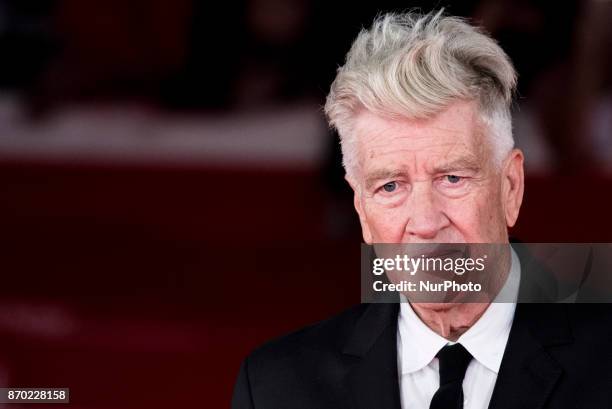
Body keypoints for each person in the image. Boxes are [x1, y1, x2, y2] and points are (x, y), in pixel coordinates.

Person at [232, 10, 612, 409]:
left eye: (453, 179)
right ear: (362, 209)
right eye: (391, 186)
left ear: (510, 187)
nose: (426, 223)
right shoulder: (276, 388)